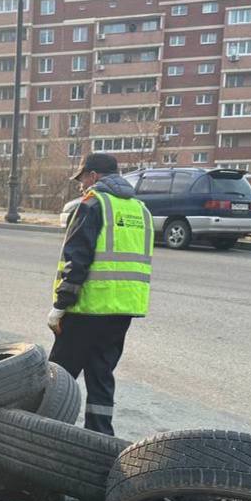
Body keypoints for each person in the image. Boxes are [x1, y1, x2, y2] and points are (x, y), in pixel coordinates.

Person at [47, 153, 153, 436]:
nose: (81, 185)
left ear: (93, 175)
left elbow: (77, 259)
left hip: (88, 307)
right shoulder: (140, 210)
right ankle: (100, 436)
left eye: (82, 179)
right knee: (101, 375)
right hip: (123, 310)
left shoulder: (93, 204)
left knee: (59, 375)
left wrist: (61, 305)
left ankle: (42, 430)